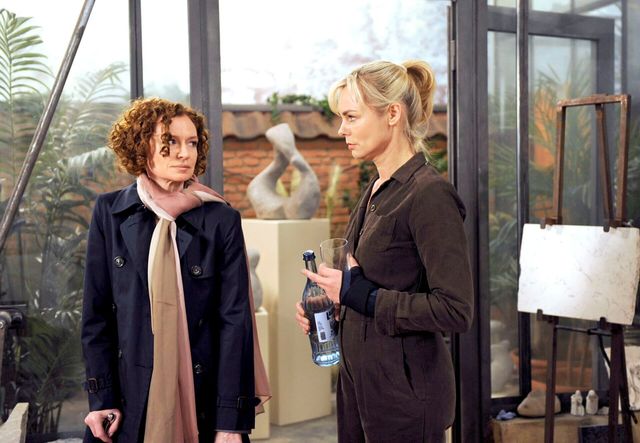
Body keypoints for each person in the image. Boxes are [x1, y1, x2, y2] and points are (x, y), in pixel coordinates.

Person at [296, 60, 473, 442]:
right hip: (359, 390)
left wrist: (361, 294)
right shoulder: (376, 190)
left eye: (351, 117)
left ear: (392, 114)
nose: (341, 129)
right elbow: (373, 287)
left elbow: (455, 309)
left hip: (406, 399)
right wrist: (335, 307)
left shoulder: (430, 195)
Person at [81, 98, 269, 443]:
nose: (185, 153)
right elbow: (97, 316)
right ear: (141, 146)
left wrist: (230, 422)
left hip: (205, 399)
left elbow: (235, 323)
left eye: (192, 143)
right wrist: (101, 399)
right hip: (129, 399)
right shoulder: (109, 212)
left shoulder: (221, 219)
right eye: (170, 142)